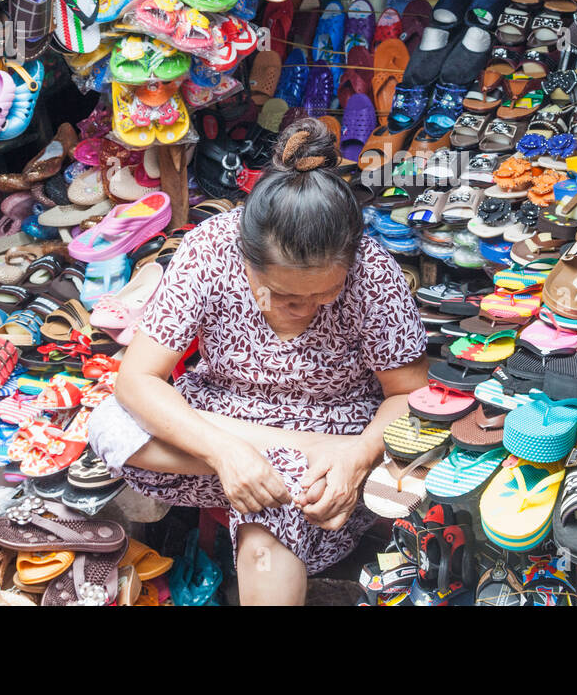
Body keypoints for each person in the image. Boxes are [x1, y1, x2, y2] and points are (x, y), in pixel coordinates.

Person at [87, 119, 427, 605]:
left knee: (281, 493)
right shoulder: (211, 247)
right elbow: (137, 380)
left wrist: (354, 459)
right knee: (111, 422)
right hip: (225, 425)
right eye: (286, 295)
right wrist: (225, 453)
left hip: (337, 434)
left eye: (326, 293)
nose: (306, 308)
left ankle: (279, 469)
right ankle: (282, 456)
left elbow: (409, 394)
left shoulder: (373, 271)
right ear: (244, 258)